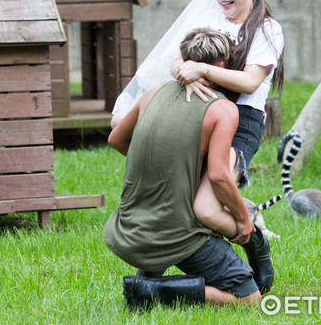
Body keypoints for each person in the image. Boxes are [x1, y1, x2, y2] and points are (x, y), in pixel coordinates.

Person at [112, 0, 285, 241]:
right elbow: (176, 63)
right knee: (120, 123)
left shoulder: (267, 29)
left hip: (241, 118)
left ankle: (255, 239)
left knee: (205, 208)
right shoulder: (208, 18)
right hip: (198, 108)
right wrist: (186, 76)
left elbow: (251, 82)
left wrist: (201, 70)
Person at [103, 27, 272, 309]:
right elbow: (219, 176)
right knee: (249, 299)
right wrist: (244, 221)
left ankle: (148, 281)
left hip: (130, 227)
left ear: (185, 59)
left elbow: (116, 138)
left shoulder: (154, 93)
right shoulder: (222, 109)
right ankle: (150, 289)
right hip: (178, 234)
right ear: (221, 65)